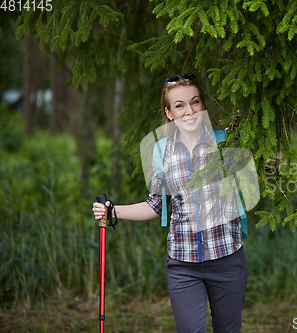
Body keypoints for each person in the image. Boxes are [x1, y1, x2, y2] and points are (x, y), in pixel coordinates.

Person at [92, 73, 248, 333]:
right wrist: (113, 210)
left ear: (203, 105)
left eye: (195, 102)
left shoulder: (225, 142)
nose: (189, 111)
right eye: (180, 105)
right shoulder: (162, 151)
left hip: (227, 259)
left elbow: (268, 161)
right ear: (169, 112)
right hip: (183, 265)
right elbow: (156, 205)